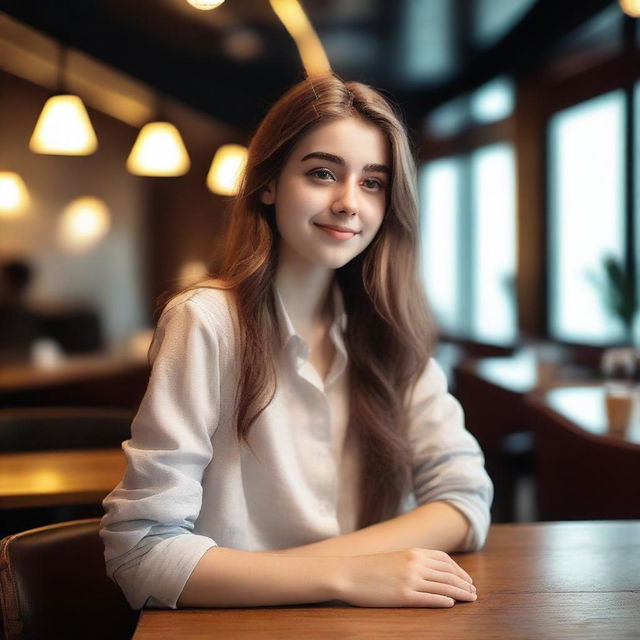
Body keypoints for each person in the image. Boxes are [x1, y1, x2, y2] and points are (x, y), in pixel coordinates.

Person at [100, 73, 493, 611]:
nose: (349, 202)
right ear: (268, 183)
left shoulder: (388, 329)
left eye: (373, 182)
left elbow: (464, 497)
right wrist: (347, 577)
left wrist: (345, 566)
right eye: (323, 173)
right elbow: (140, 552)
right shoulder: (206, 320)